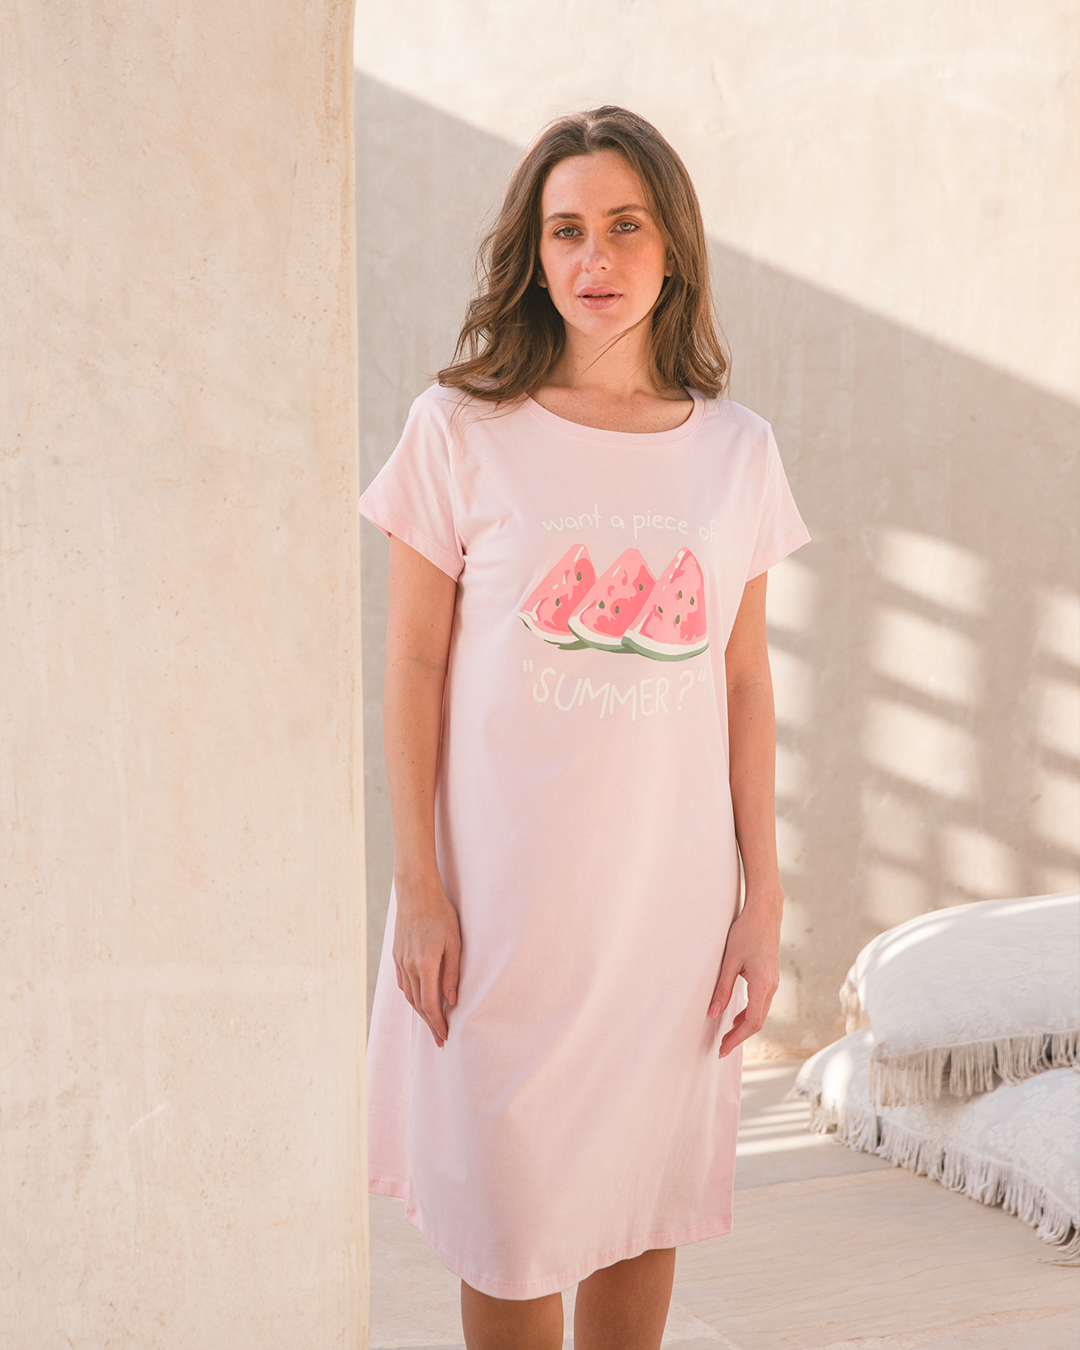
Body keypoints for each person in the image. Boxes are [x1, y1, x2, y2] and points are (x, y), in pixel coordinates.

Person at [359, 105, 810, 1350]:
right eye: (566, 231)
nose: (594, 258)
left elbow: (743, 681)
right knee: (507, 1227)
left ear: (674, 250)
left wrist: (762, 900)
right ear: (534, 252)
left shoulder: (736, 451)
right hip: (498, 909)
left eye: (625, 226)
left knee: (636, 1212)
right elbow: (412, 661)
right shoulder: (458, 428)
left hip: (665, 913)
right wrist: (417, 887)